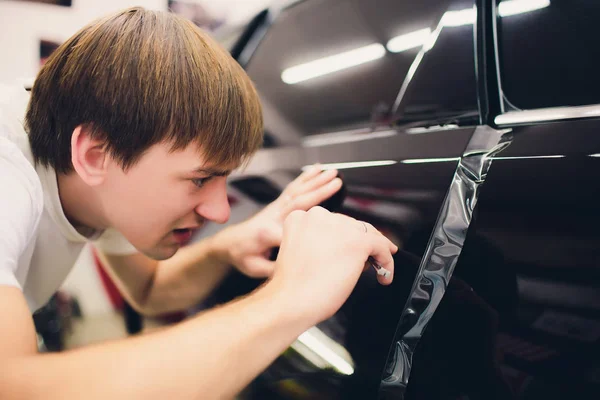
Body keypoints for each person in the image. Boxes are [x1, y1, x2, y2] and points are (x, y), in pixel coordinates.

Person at [0, 7, 397, 399]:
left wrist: (230, 245)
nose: (220, 211)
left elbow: (149, 289)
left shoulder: (106, 178)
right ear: (94, 156)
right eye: (201, 178)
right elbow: (14, 387)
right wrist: (292, 298)